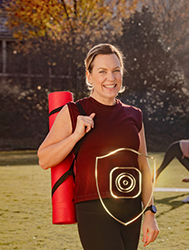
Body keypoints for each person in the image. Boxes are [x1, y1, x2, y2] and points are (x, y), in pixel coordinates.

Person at [37, 44, 159, 249]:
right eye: (102, 71)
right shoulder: (75, 111)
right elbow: (44, 158)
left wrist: (149, 213)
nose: (110, 78)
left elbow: (143, 167)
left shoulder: (134, 114)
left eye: (116, 70)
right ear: (89, 75)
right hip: (93, 208)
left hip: (131, 209)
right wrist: (75, 136)